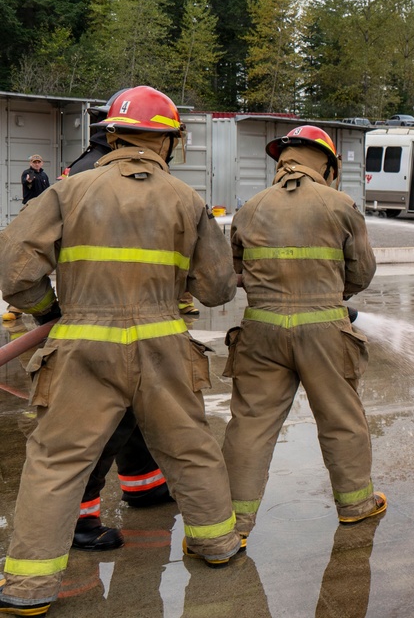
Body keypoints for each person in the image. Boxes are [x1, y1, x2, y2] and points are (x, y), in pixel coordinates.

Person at [0, 86, 242, 616]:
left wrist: (49, 311)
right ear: (169, 142)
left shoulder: (68, 191)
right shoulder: (187, 200)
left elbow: (16, 272)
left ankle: (29, 587)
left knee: (56, 460)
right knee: (190, 448)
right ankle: (218, 544)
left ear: (112, 134)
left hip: (83, 344)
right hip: (163, 344)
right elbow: (218, 290)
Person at [222, 125, 383, 542]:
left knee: (250, 426)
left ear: (282, 162)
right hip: (325, 331)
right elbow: (362, 272)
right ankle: (356, 506)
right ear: (327, 165)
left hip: (260, 330)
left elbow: (236, 269)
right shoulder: (340, 204)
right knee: (340, 419)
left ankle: (234, 525)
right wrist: (330, 293)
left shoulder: (250, 208)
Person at [60, 92, 174, 555]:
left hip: (114, 313)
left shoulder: (86, 166)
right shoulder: (104, 176)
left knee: (137, 414)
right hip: (110, 321)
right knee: (100, 425)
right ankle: (79, 520)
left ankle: (143, 485)